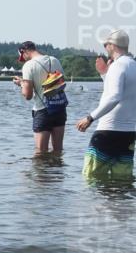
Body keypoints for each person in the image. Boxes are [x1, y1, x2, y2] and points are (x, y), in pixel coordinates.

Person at [76, 29, 136, 180]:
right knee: (122, 181)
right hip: (129, 133)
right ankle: (120, 205)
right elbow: (125, 93)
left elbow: (115, 96)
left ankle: (96, 204)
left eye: (105, 45)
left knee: (91, 178)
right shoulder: (133, 65)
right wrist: (104, 74)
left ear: (112, 45)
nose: (104, 48)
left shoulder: (117, 65)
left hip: (109, 130)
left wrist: (90, 118)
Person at [13, 41, 68, 156]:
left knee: (40, 153)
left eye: (22, 57)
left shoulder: (29, 65)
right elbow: (63, 84)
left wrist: (21, 84)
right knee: (58, 151)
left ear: (24, 51)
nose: (24, 60)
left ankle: (43, 174)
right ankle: (57, 174)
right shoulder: (54, 60)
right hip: (59, 109)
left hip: (42, 111)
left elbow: (27, 95)